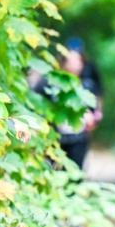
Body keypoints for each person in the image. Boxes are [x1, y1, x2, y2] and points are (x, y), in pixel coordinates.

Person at [33, 38, 104, 170]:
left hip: (78, 138)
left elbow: (96, 108)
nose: (75, 65)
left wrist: (93, 119)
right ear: (63, 61)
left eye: (78, 61)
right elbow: (35, 103)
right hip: (53, 138)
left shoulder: (87, 86)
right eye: (72, 61)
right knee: (52, 172)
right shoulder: (49, 82)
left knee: (75, 172)